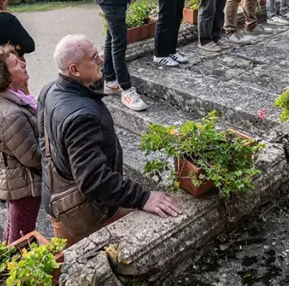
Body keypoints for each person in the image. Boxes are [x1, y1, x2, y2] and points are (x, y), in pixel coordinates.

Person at [38, 35, 182, 246]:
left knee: (68, 261)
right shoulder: (81, 116)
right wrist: (143, 198)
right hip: (83, 208)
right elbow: (92, 178)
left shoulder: (49, 90)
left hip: (56, 199)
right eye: (93, 57)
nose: (102, 60)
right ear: (74, 70)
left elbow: (43, 143)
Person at [0, 45, 41, 243]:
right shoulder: (11, 114)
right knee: (21, 236)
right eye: (16, 63)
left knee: (14, 226)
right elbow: (32, 157)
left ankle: (5, 259)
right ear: (3, 75)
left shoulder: (4, 99)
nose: (23, 64)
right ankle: (14, 270)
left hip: (11, 179)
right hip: (22, 184)